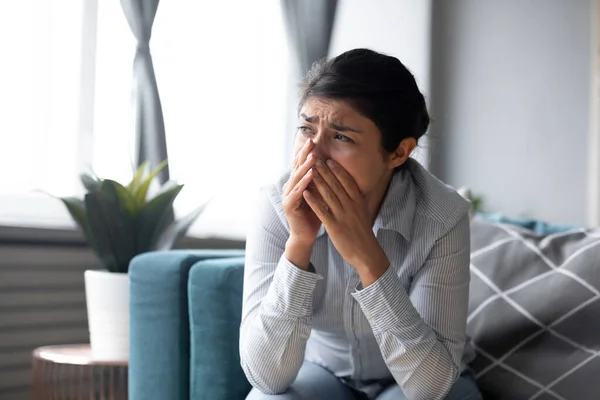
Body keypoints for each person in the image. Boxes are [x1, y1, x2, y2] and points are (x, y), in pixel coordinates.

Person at [240, 48, 482, 400]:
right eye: (306, 128)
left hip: (420, 379)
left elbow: (430, 388)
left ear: (398, 153)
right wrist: (300, 243)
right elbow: (267, 378)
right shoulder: (276, 204)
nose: (313, 153)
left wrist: (368, 258)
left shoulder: (443, 216)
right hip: (322, 374)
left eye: (342, 137)